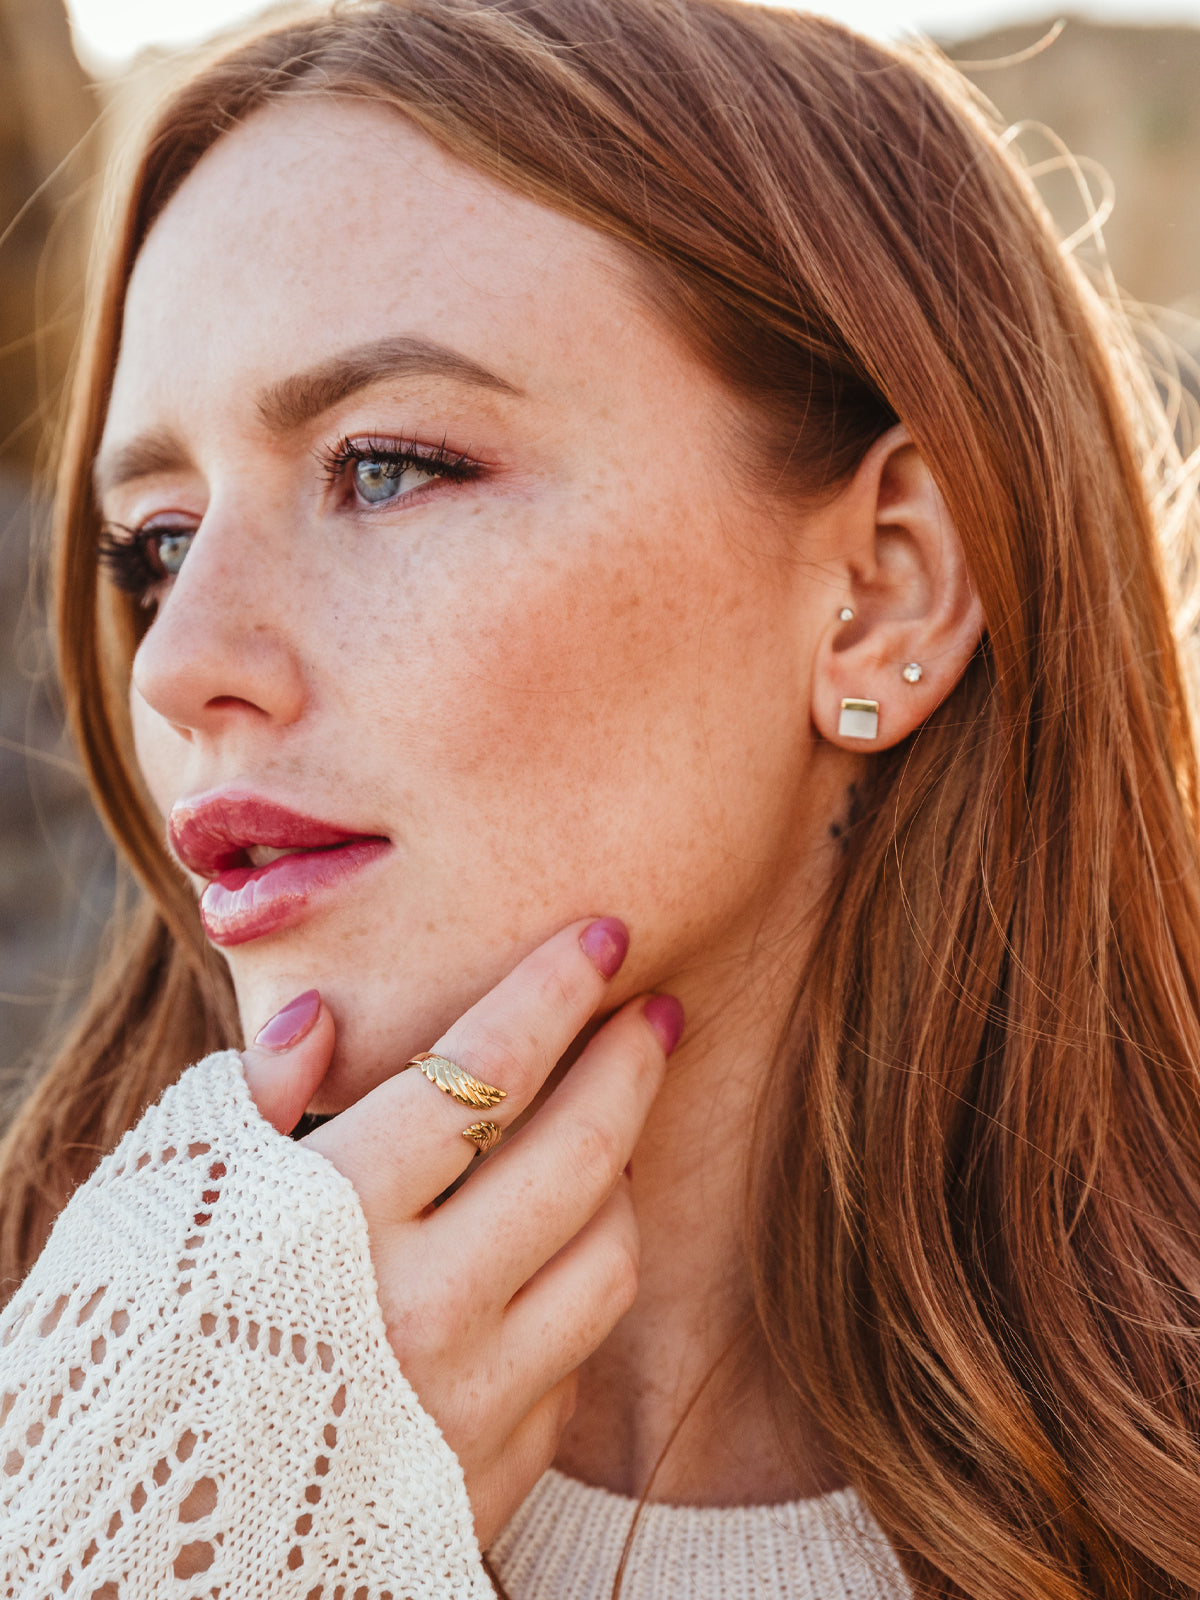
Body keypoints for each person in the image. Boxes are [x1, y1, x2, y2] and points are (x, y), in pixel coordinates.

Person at [2, 0, 1200, 1594]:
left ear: (884, 592)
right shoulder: (47, 1435)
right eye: (155, 543)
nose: (182, 665)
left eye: (388, 466)